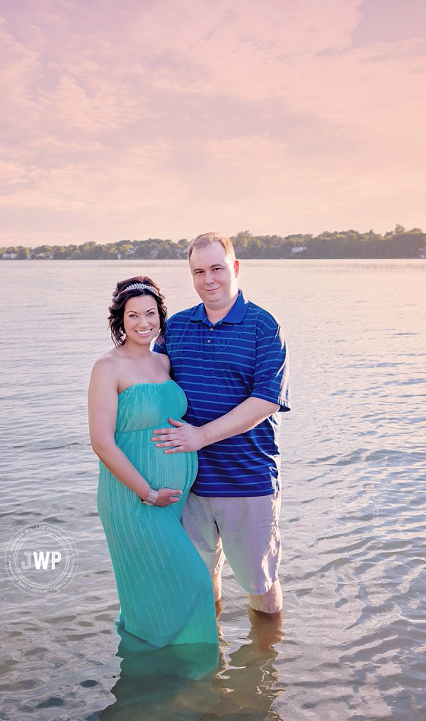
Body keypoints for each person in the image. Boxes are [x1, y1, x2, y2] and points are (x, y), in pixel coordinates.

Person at [152, 232, 290, 616]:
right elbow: (149, 382)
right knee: (200, 581)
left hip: (247, 481)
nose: (208, 279)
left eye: (217, 268)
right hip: (189, 483)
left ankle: (264, 669)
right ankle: (212, 663)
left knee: (259, 588)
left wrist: (201, 436)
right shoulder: (175, 328)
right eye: (199, 271)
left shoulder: (264, 326)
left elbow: (265, 401)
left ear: (236, 268)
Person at [88, 276, 219, 652]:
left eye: (150, 314)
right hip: (134, 500)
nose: (143, 323)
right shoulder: (107, 367)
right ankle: (180, 668)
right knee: (194, 579)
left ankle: (158, 666)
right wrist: (147, 493)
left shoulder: (164, 361)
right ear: (120, 321)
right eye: (133, 315)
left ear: (161, 316)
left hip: (171, 500)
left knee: (160, 585)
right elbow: (101, 442)